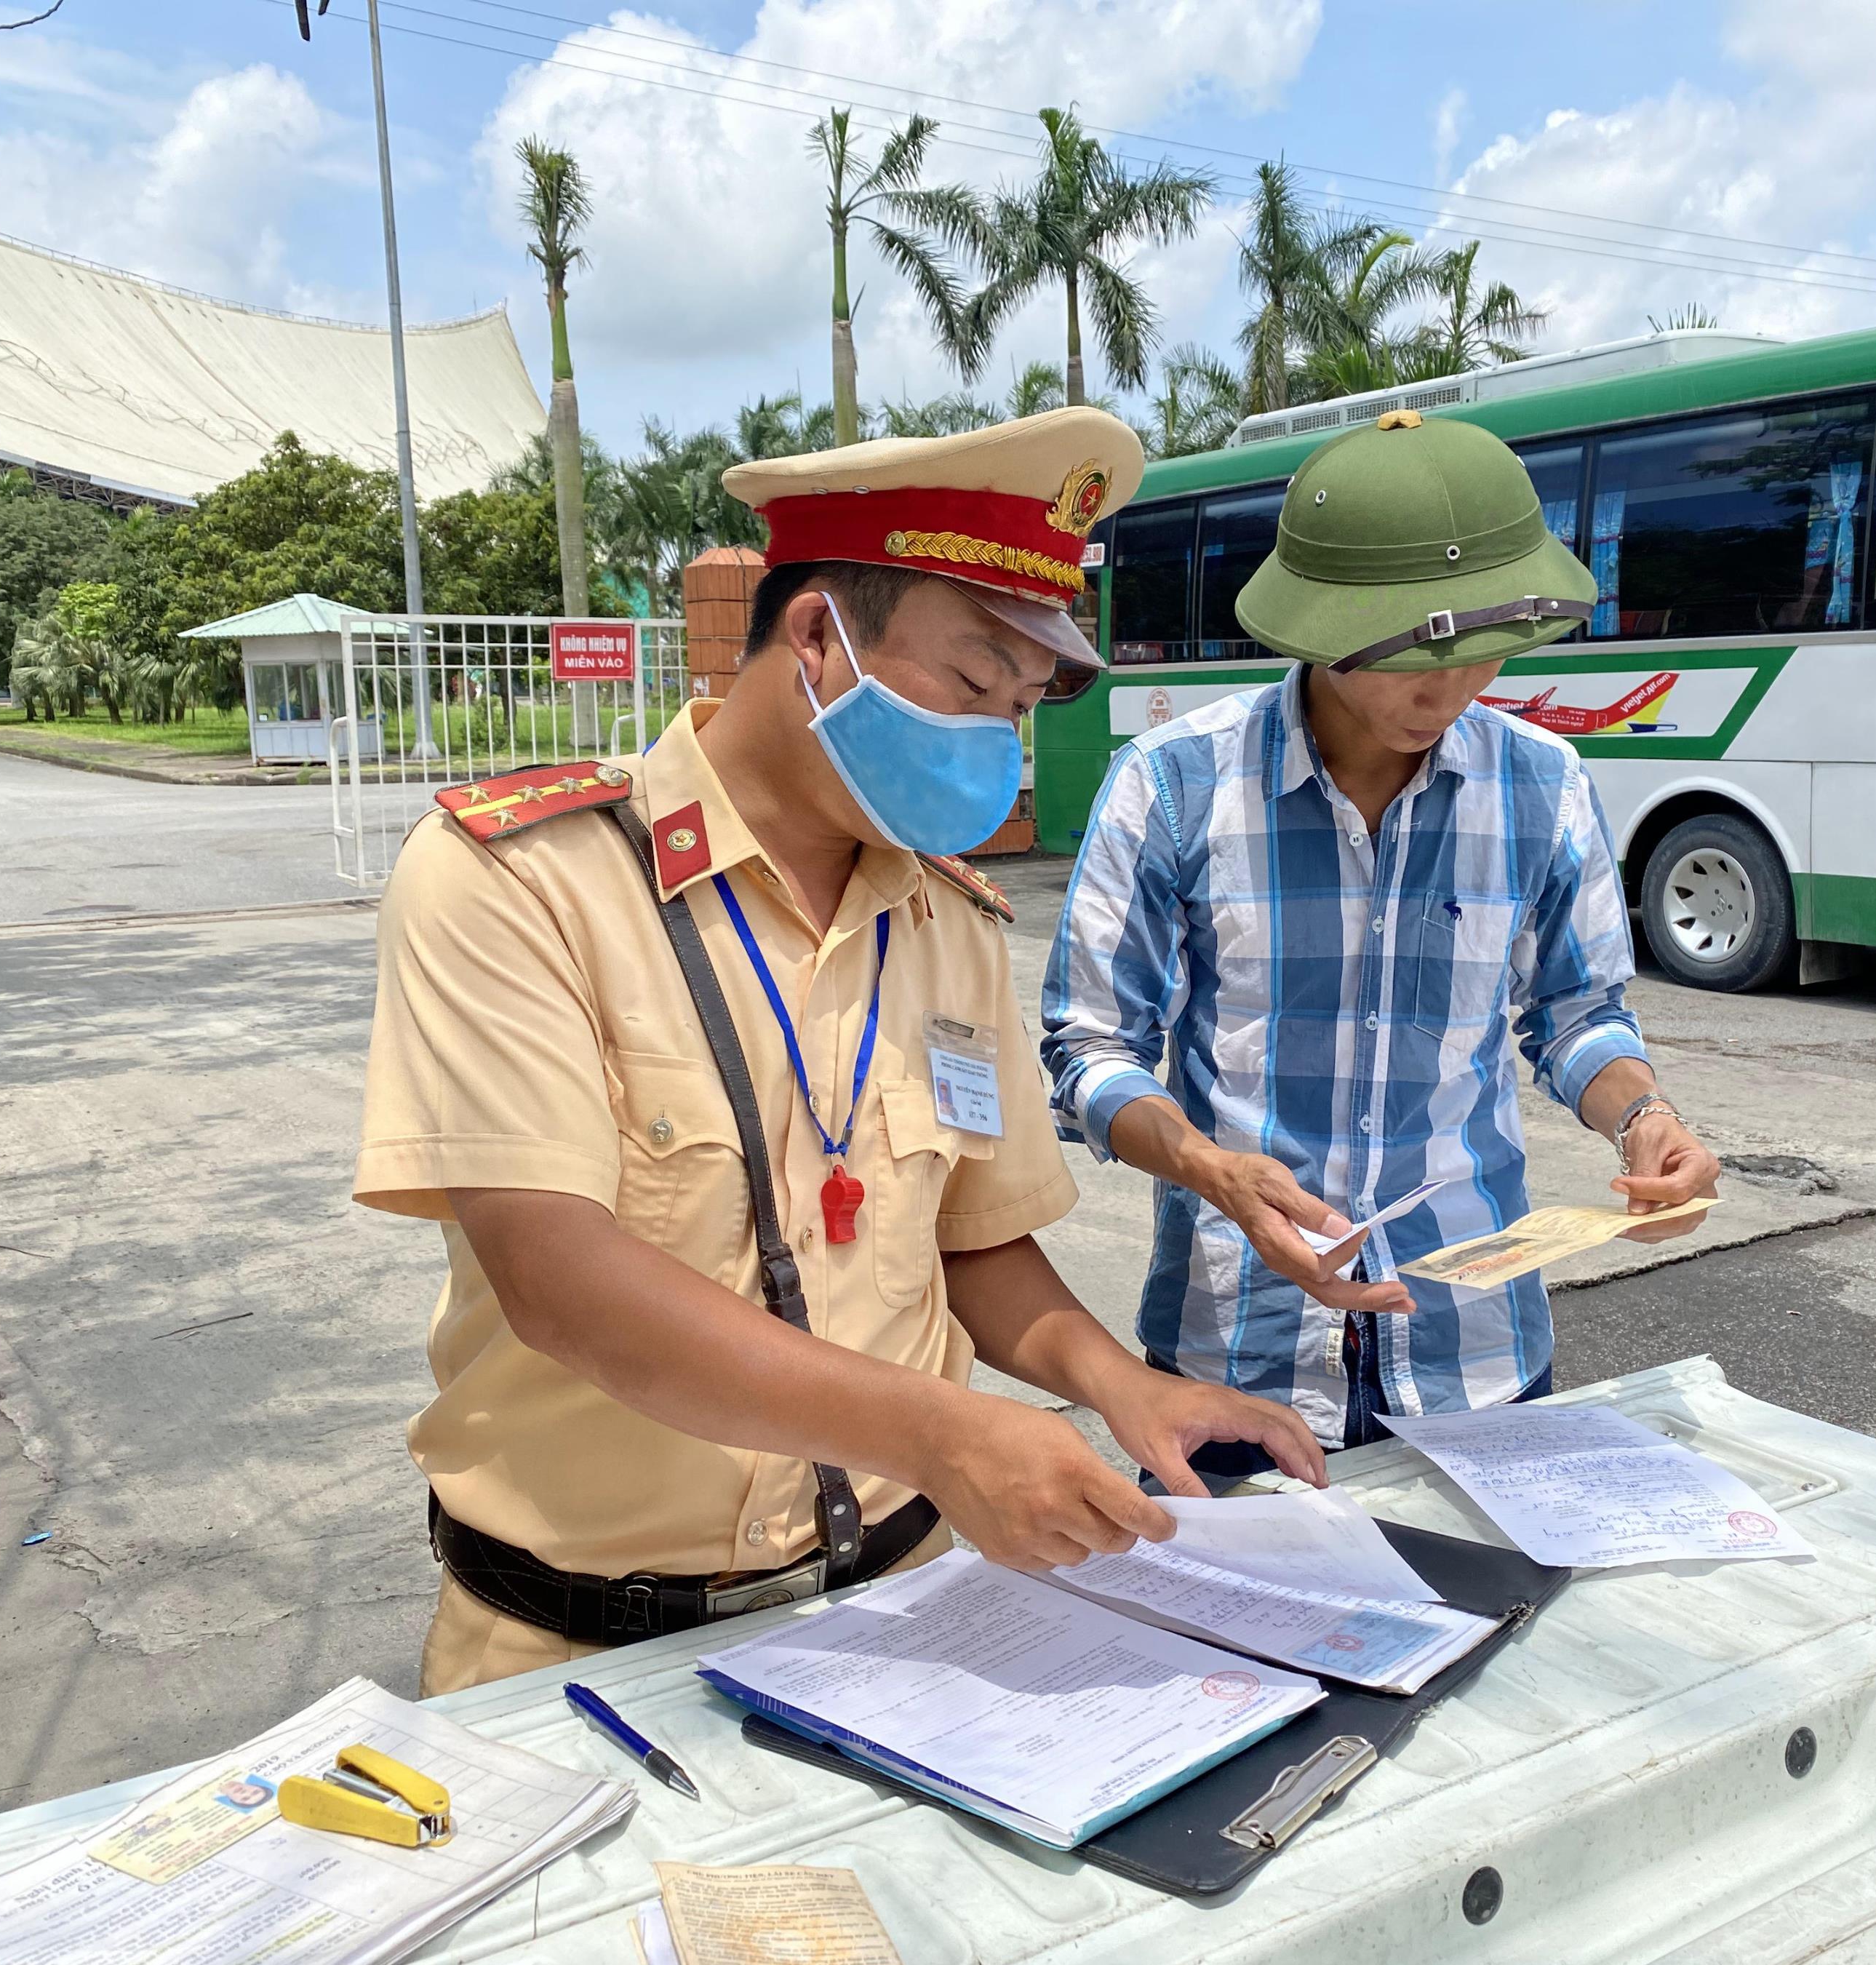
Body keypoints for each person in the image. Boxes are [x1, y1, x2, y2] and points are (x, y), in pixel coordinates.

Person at [356, 407, 1323, 1695]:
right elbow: (563, 1284)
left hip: (914, 1615)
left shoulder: (950, 921)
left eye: (1024, 706)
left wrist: (1122, 1384)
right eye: (976, 685)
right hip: (579, 1652)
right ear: (816, 637)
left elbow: (971, 1241)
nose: (1001, 742)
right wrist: (946, 1432)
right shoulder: (526, 884)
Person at [1042, 409, 1720, 1478]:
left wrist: (1644, 1117)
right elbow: (1089, 1049)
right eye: (1408, 652)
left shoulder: (1542, 787)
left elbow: (1577, 1016)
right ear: (1318, 627)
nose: (1446, 689)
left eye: (1483, 649)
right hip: (1237, 1356)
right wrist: (1210, 1169)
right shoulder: (1172, 787)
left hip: (1476, 1357)